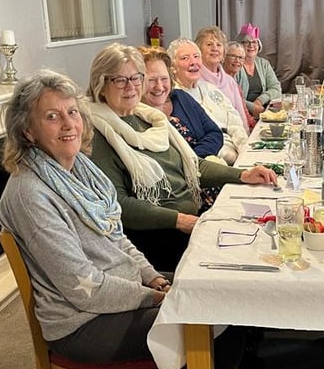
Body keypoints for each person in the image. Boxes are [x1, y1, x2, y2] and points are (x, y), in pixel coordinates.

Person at [0, 69, 243, 369]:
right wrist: (155, 297)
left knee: (230, 295)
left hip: (119, 290)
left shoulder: (79, 169)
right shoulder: (33, 194)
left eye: (72, 112)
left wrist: (156, 279)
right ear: (27, 131)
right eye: (52, 116)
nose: (69, 124)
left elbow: (118, 239)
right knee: (202, 318)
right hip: (81, 321)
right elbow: (81, 286)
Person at [87, 43, 277, 272]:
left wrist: (244, 175)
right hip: (160, 239)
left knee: (268, 232)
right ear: (100, 84)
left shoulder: (148, 118)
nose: (131, 87)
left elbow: (192, 166)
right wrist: (180, 220)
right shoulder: (99, 135)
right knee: (252, 256)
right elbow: (120, 205)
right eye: (119, 80)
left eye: (136, 78)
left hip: (189, 220)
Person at [168, 38, 250, 165]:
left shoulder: (210, 88)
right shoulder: (175, 99)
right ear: (173, 67)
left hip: (236, 151)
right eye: (185, 58)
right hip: (213, 159)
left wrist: (246, 150)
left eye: (196, 56)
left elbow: (235, 123)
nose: (193, 62)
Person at [138, 45, 224, 160]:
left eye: (164, 79)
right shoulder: (137, 116)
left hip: (203, 167)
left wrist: (193, 159)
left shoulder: (180, 97)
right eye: (151, 80)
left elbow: (215, 133)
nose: (159, 87)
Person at [195, 26, 253, 130]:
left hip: (236, 138)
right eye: (209, 44)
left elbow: (241, 116)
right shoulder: (194, 80)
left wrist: (246, 142)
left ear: (223, 52)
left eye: (219, 44)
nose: (215, 48)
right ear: (199, 50)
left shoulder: (230, 81)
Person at [234, 23, 283, 119]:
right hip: (242, 114)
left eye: (254, 42)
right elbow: (232, 96)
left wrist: (260, 101)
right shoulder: (235, 65)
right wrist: (252, 107)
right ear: (239, 45)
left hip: (264, 111)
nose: (251, 45)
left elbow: (276, 88)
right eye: (246, 42)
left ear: (259, 45)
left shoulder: (263, 64)